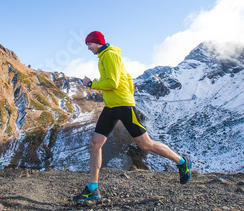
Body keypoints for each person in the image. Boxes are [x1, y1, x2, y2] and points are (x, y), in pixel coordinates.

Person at [73, 31, 192, 202]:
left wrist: (91, 84)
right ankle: (93, 188)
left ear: (97, 42)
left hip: (123, 105)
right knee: (95, 144)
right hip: (111, 106)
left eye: (89, 44)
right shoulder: (103, 57)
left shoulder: (110, 55)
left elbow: (112, 83)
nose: (88, 48)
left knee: (145, 144)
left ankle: (181, 162)